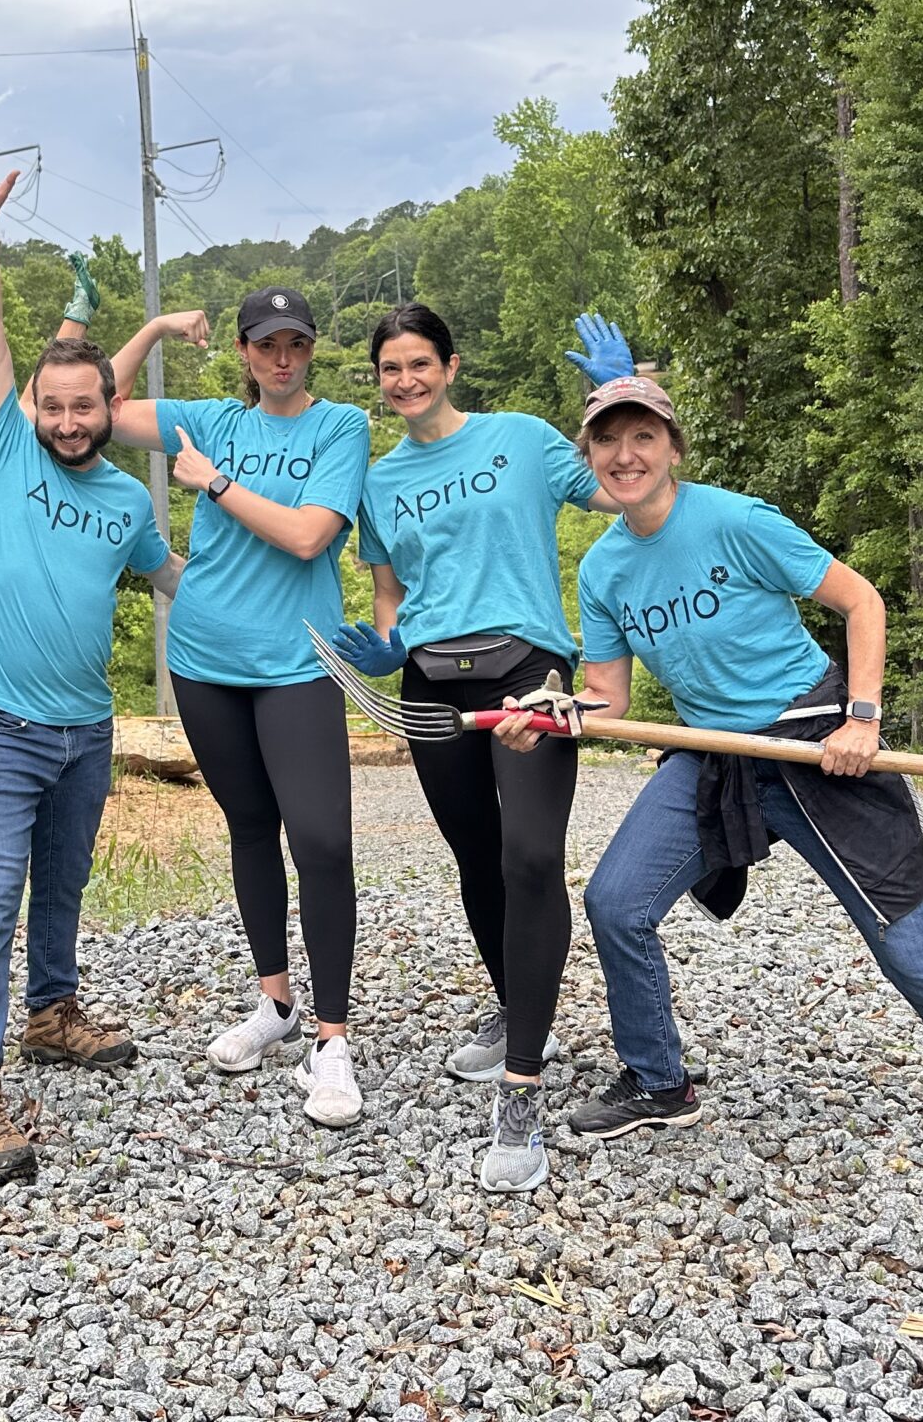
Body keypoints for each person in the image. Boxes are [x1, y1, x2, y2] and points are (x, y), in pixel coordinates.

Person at [493, 371, 923, 1183]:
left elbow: (862, 601)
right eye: (607, 442)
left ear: (672, 447)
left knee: (911, 953)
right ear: (588, 456)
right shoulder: (604, 570)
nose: (625, 456)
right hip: (717, 757)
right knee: (616, 901)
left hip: (813, 740)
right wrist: (552, 715)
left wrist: (862, 716)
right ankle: (658, 1081)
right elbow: (608, 701)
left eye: (642, 437)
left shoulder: (734, 521)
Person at [0, 134, 185, 1183]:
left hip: (86, 728)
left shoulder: (126, 499)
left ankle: (51, 1013)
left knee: (66, 883)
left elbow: (177, 582)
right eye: (55, 405)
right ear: (31, 407)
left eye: (88, 408)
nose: (71, 421)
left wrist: (292, 592)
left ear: (106, 411)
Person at [332, 302, 620, 1192]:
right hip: (431, 686)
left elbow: (621, 488)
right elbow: (389, 592)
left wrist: (614, 390)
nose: (406, 379)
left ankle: (522, 1093)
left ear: (451, 366)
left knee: (531, 857)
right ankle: (515, 1006)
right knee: (475, 858)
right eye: (391, 369)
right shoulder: (379, 482)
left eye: (420, 363)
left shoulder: (522, 439)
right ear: (380, 382)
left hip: (527, 670)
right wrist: (389, 642)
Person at [102, 289, 372, 1126]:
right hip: (205, 659)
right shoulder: (209, 417)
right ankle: (277, 1007)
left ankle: (333, 1042)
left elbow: (307, 536)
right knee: (250, 828)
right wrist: (152, 329)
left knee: (322, 841)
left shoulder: (341, 427)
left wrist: (211, 484)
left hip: (297, 661)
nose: (281, 359)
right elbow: (90, 410)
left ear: (312, 350)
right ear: (246, 353)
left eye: (296, 343)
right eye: (266, 345)